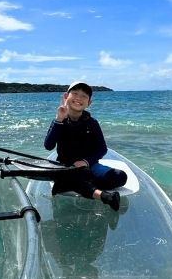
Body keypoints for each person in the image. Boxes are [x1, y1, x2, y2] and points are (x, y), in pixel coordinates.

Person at [43, 81, 127, 211]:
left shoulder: (92, 123)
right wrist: (59, 119)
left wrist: (85, 162)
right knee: (76, 175)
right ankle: (104, 196)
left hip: (90, 165)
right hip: (67, 167)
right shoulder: (58, 121)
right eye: (75, 93)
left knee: (120, 176)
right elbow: (48, 146)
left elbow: (102, 149)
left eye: (84, 96)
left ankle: (71, 184)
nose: (79, 98)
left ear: (89, 103)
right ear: (66, 97)